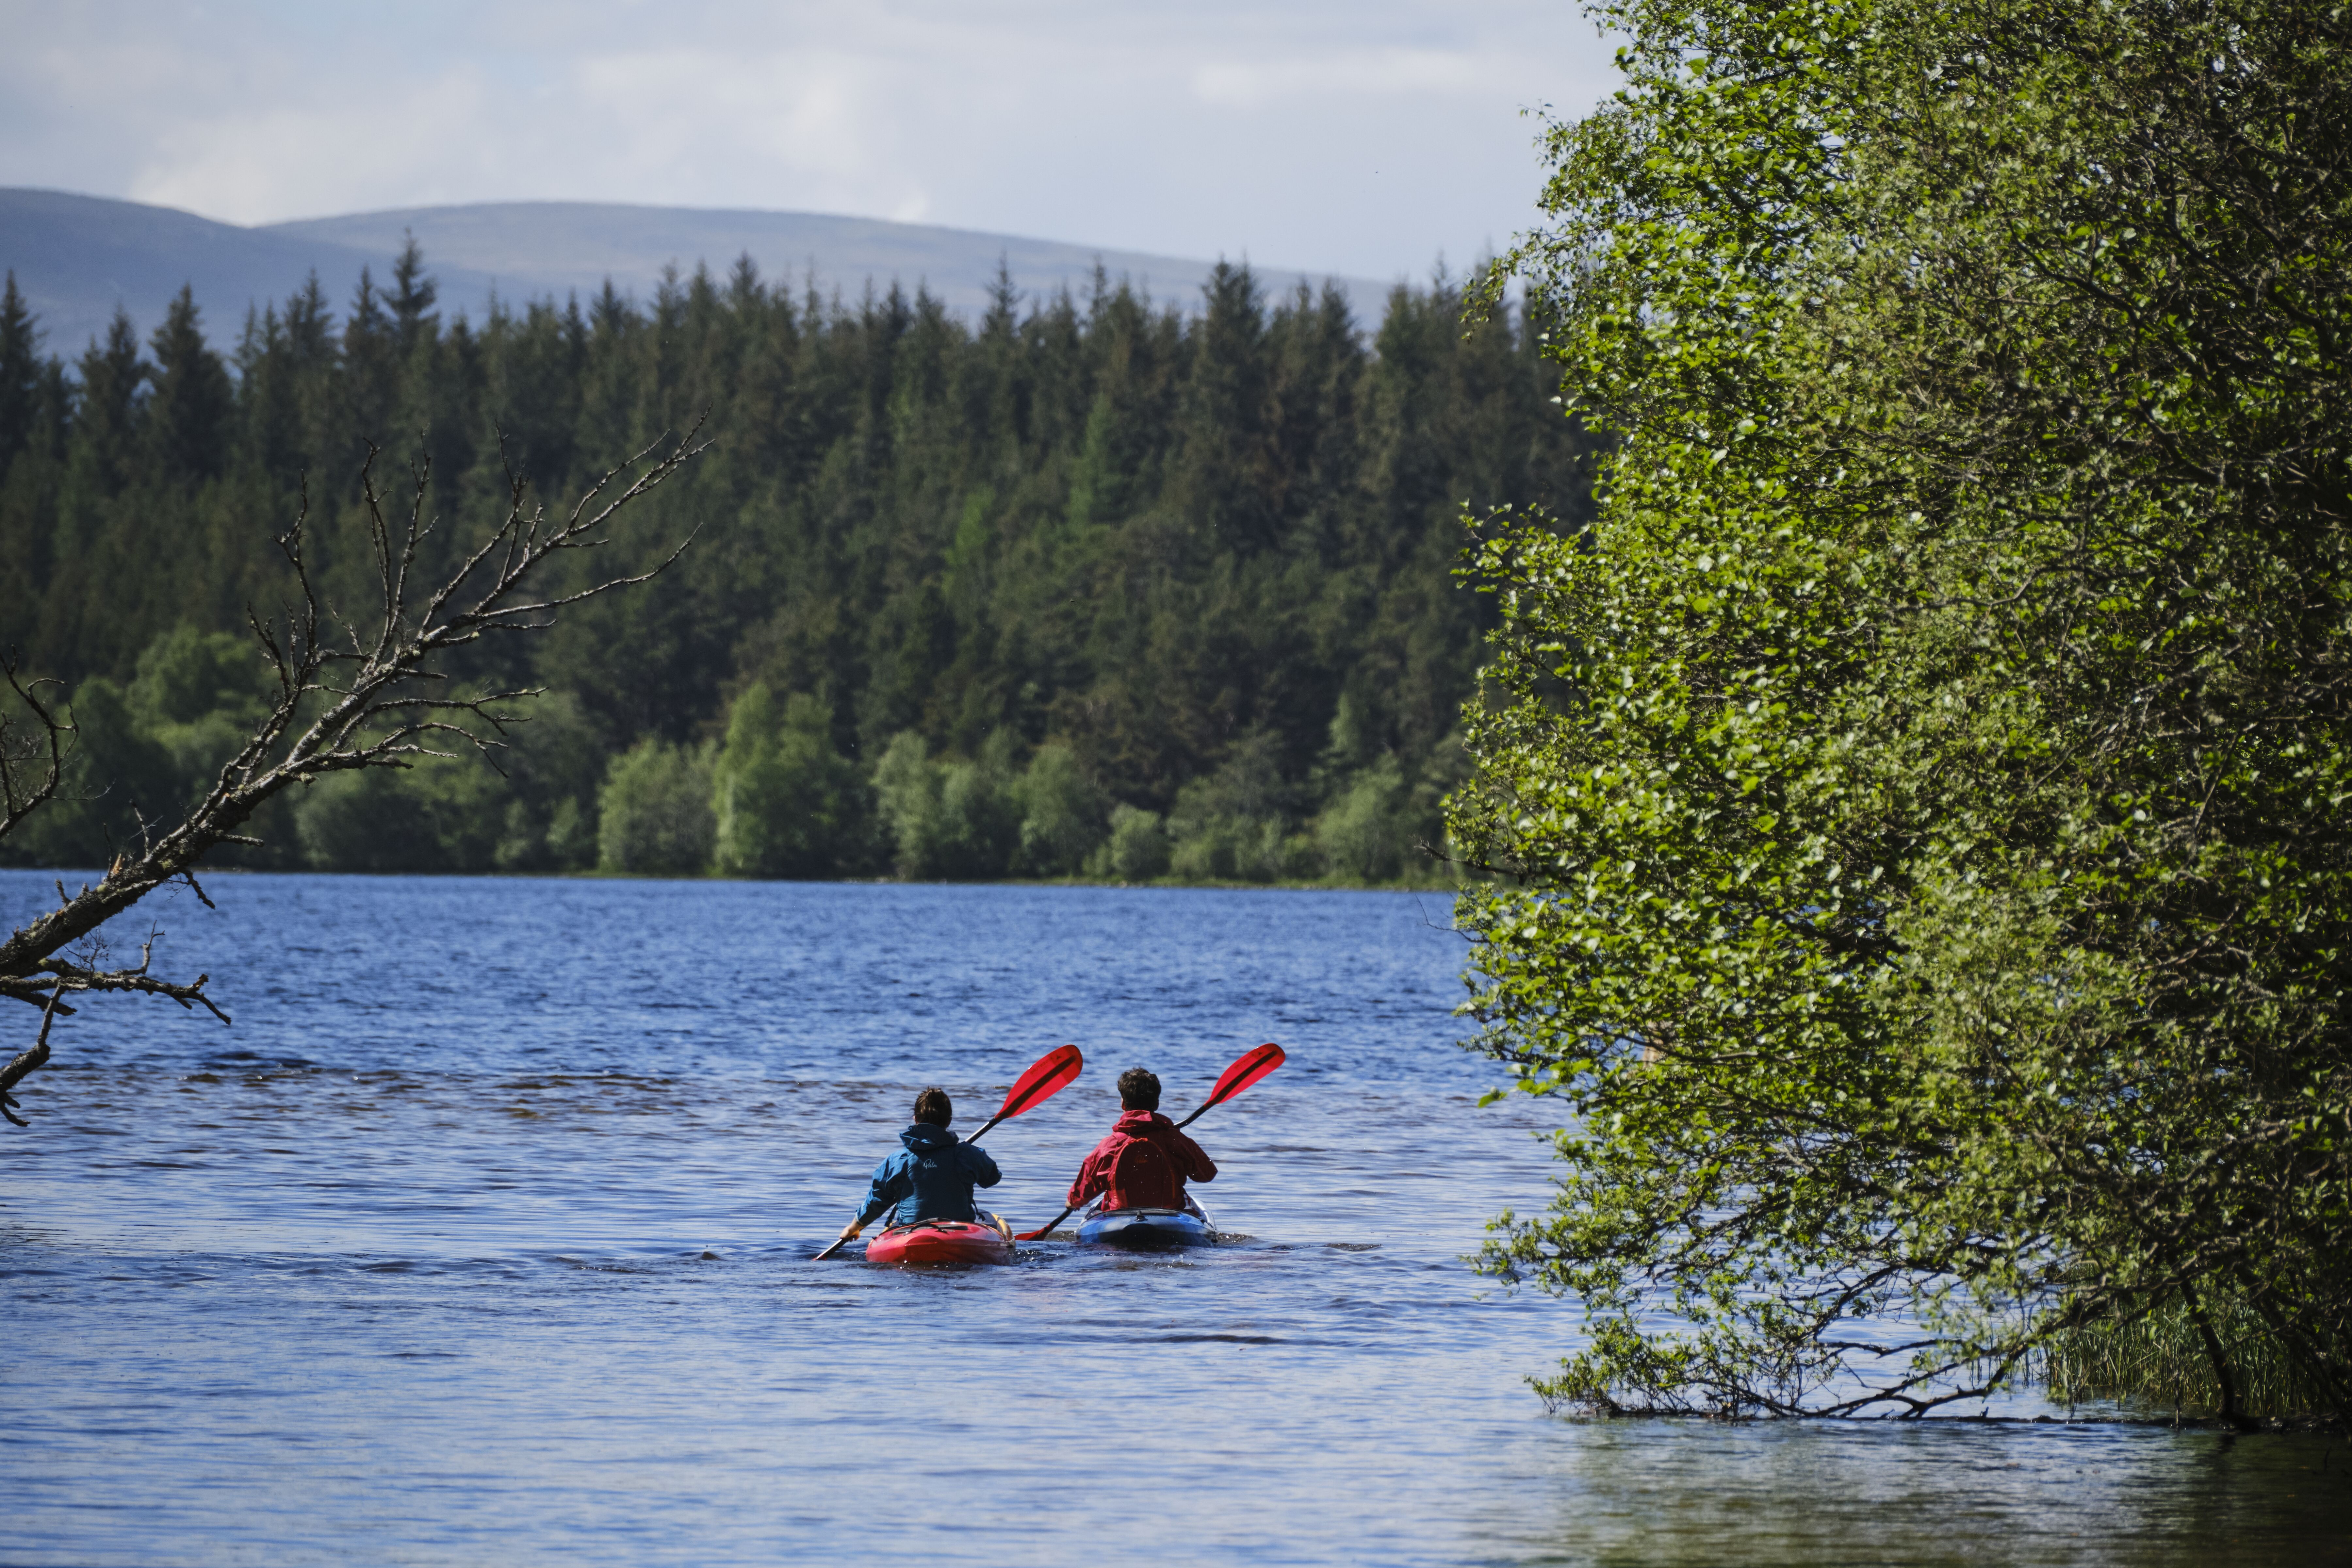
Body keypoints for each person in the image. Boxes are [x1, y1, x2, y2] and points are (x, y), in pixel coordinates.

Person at [835, 1086, 1002, 1247]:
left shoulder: (898, 1160)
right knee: (989, 1218)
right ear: (949, 1121)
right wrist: (973, 1155)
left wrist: (853, 1228)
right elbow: (993, 1178)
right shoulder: (967, 1154)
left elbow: (877, 1201)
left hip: (910, 1231)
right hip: (960, 1231)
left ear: (915, 1119)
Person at [1066, 1067, 1217, 1215]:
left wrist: (1073, 1201)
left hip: (1120, 1215)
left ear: (1123, 1105)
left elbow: (1084, 1189)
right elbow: (1207, 1174)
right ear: (1157, 1104)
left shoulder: (1109, 1145)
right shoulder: (1176, 1140)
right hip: (1170, 1213)